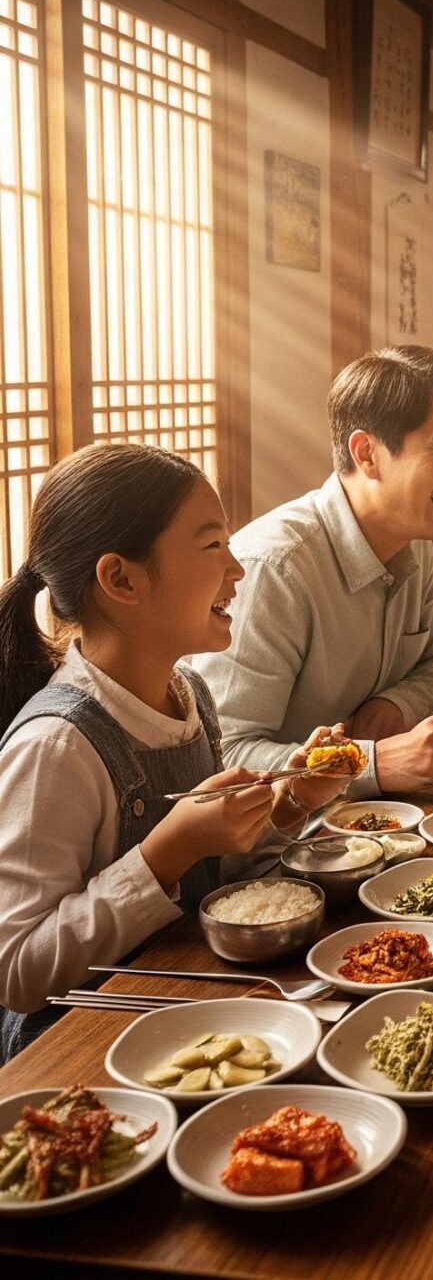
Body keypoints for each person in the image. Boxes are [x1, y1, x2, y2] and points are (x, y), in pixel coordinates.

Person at [0, 445, 353, 1061]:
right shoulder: (56, 746)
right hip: (75, 1051)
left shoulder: (189, 694)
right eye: (213, 546)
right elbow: (20, 973)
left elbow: (210, 880)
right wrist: (168, 850)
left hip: (187, 1001)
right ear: (122, 579)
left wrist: (288, 800)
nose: (237, 569)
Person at [195, 346, 433, 798]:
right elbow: (221, 758)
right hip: (272, 848)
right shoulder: (274, 569)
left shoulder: (412, 539)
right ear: (367, 453)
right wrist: (371, 762)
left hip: (369, 821)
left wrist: (396, 703)